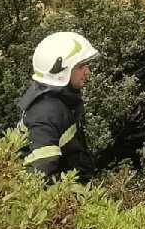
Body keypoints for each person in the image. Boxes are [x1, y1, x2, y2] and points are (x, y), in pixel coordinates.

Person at [17, 31, 99, 181]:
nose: (88, 72)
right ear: (60, 71)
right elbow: (40, 176)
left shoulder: (61, 98)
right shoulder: (45, 114)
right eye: (81, 66)